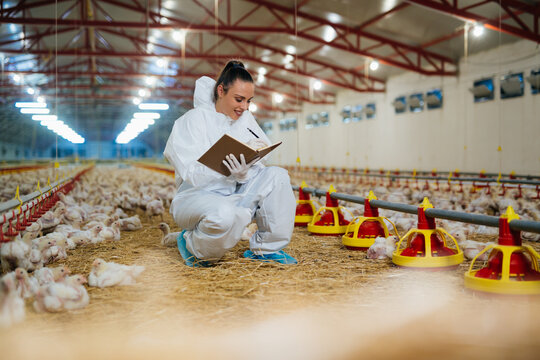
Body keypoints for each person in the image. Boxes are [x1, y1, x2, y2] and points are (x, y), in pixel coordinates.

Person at [163, 60, 297, 267]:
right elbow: (192, 174)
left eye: (249, 101)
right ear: (220, 91)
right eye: (239, 99)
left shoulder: (244, 120)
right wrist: (224, 168)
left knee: (278, 176)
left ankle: (266, 249)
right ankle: (193, 245)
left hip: (235, 192)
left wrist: (245, 173)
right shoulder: (192, 121)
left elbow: (260, 156)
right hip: (196, 197)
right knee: (224, 215)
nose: (244, 107)